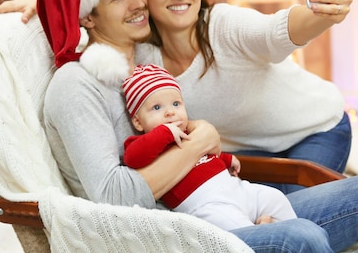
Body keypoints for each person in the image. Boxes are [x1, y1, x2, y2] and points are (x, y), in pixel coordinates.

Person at [25, 0, 358, 253]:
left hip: (229, 194)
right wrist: (201, 143)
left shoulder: (147, 56)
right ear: (86, 17)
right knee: (301, 237)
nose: (136, 3)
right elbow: (114, 197)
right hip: (179, 233)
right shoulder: (76, 85)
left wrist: (323, 14)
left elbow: (275, 31)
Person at [0, 0, 353, 193]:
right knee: (241, 212)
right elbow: (95, 13)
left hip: (317, 131)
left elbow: (279, 29)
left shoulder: (224, 26)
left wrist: (325, 14)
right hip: (247, 151)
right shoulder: (141, 55)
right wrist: (48, 0)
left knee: (293, 215)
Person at [122, 63, 297, 230]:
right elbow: (132, 158)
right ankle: (264, 233)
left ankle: (275, 228)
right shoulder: (142, 143)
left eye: (176, 104)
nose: (170, 112)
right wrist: (164, 134)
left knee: (275, 198)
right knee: (234, 226)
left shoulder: (190, 134)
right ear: (138, 122)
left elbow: (205, 158)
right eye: (157, 107)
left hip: (237, 189)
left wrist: (226, 159)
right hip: (208, 206)